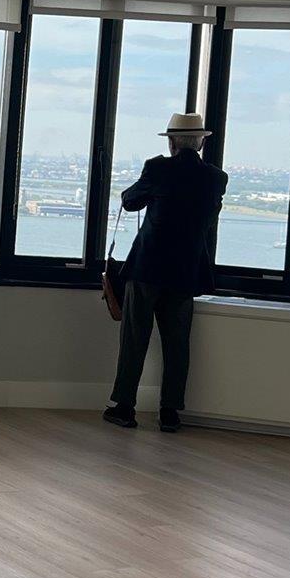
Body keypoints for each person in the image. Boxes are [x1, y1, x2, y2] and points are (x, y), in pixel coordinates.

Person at [103, 112, 227, 433]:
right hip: (185, 271)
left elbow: (130, 201)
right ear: (200, 142)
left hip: (147, 267)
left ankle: (124, 407)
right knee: (177, 343)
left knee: (134, 338)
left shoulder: (158, 168)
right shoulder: (216, 178)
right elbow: (208, 219)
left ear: (171, 142)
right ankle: (170, 412)